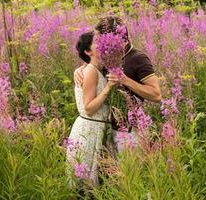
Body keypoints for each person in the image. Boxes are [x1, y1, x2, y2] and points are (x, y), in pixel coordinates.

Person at [74, 16, 162, 147]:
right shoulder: (109, 57)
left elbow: (156, 95)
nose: (100, 44)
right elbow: (93, 64)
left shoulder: (138, 58)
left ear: (116, 38)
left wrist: (125, 80)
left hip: (133, 130)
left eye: (102, 40)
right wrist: (81, 68)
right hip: (110, 128)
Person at [66, 31, 116, 186]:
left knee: (97, 183)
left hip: (97, 127)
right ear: (88, 52)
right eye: (97, 42)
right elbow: (88, 108)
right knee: (87, 186)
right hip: (89, 129)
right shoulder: (90, 71)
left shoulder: (95, 69)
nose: (102, 43)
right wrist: (108, 87)